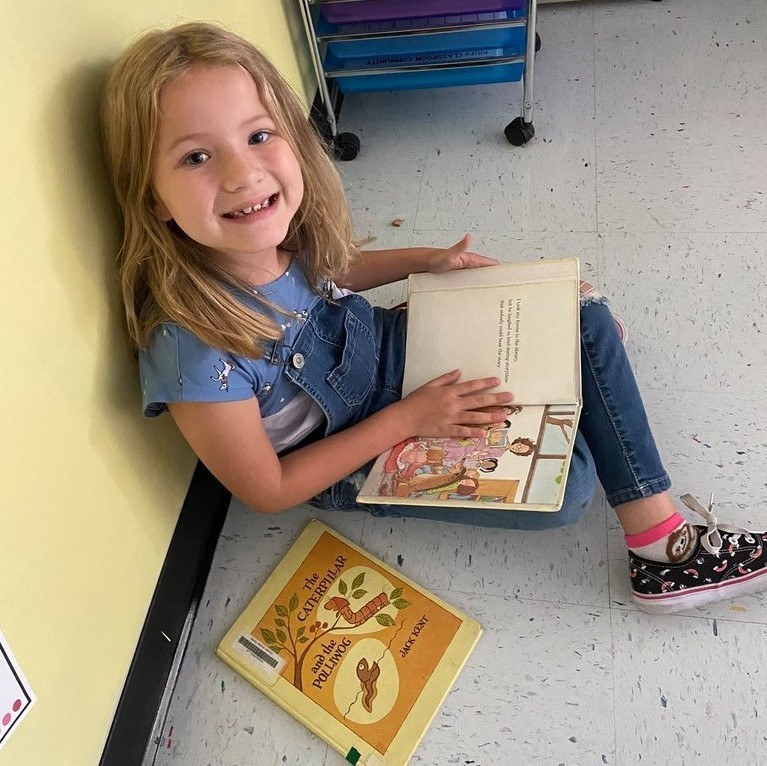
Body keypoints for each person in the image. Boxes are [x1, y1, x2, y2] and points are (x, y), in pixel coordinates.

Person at [102, 21, 767, 615]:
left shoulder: (271, 236)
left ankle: (660, 548)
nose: (243, 173)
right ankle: (588, 386)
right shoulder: (190, 349)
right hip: (356, 448)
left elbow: (336, 268)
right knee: (569, 490)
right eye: (196, 156)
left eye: (257, 135)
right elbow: (270, 488)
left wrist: (429, 261)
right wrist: (408, 420)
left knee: (580, 309)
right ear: (151, 197)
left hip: (391, 350)